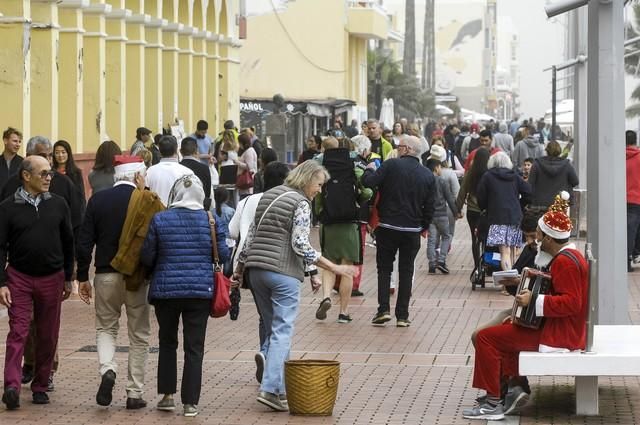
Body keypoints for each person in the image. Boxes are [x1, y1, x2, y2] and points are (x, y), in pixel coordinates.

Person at [233, 160, 357, 412]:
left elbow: (250, 237)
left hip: (257, 271)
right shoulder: (300, 203)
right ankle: (269, 389)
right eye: (318, 185)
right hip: (282, 273)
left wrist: (239, 269)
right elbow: (300, 243)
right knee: (282, 331)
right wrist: (334, 267)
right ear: (307, 179)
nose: (319, 190)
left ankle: (278, 388)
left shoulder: (270, 195)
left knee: (272, 330)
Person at [463, 193, 588, 420]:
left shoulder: (564, 262)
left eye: (539, 236)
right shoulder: (566, 257)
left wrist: (534, 301)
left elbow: (572, 302)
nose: (536, 241)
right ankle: (510, 388)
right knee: (502, 329)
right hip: (558, 329)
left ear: (550, 238)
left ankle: (493, 403)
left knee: (486, 338)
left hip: (558, 335)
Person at [141, 175, 230, 417]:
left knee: (167, 341)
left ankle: (167, 396)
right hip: (200, 292)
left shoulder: (160, 219)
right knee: (195, 347)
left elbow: (147, 256)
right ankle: (190, 402)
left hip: (166, 291)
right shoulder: (212, 220)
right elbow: (223, 255)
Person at [76, 155, 151, 409]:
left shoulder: (98, 199)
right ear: (138, 176)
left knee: (106, 328)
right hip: (136, 277)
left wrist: (82, 276)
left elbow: (85, 242)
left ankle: (108, 369)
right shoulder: (144, 200)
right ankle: (134, 392)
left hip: (105, 274)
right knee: (138, 335)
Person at [0, 155, 74, 410]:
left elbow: (68, 242)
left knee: (47, 334)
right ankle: (11, 385)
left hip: (51, 278)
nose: (48, 178)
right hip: (18, 277)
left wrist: (68, 276)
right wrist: (2, 282)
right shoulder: (8, 207)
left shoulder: (59, 204)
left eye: (49, 173)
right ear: (26, 176)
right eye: (43, 173)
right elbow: (0, 247)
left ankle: (41, 384)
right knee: (18, 330)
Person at [362, 136, 435, 327]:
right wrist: (423, 226)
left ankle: (383, 309)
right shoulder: (427, 174)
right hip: (412, 229)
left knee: (384, 268)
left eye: (399, 146)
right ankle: (402, 315)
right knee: (406, 270)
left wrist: (369, 169)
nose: (397, 148)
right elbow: (430, 206)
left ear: (407, 149)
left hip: (388, 226)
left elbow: (369, 182)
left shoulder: (391, 165)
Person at [228, 161, 290, 383]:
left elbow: (232, 231)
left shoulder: (247, 201)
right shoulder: (287, 200)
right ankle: (269, 358)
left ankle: (266, 355)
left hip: (248, 265)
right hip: (279, 264)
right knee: (279, 316)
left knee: (265, 315)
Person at [314, 138, 373, 323]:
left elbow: (317, 199)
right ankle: (344, 312)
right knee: (347, 267)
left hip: (329, 223)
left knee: (329, 264)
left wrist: (320, 212)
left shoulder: (321, 167)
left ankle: (326, 297)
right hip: (350, 224)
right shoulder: (353, 167)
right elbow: (368, 192)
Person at [476, 152, 531, 272]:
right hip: (515, 217)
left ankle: (508, 283)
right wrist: (520, 205)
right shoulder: (515, 176)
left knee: (504, 252)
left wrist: (486, 207)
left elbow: (480, 197)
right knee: (513, 251)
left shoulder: (488, 176)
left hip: (497, 217)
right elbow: (528, 192)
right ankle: (513, 282)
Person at [425, 158, 461, 274]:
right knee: (446, 236)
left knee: (431, 239)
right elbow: (450, 199)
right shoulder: (442, 181)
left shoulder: (425, 181)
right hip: (442, 215)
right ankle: (441, 260)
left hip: (430, 216)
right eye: (440, 167)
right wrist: (456, 212)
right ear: (436, 168)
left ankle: (431, 263)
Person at [528, 140, 579, 210]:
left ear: (546, 151)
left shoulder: (537, 164)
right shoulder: (567, 165)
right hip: (560, 204)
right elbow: (575, 182)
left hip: (539, 204)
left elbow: (530, 183)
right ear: (559, 151)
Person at [145, 135, 195, 206]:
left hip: (155, 213)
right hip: (178, 213)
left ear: (159, 150)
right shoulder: (187, 173)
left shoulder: (149, 171)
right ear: (176, 149)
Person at [180, 137, 212, 210]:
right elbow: (208, 193)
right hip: (199, 208)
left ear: (180, 151)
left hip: (180, 208)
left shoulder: (177, 167)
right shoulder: (204, 168)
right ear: (196, 151)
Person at [627, 130, 640, 272]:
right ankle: (631, 257)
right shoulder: (639, 157)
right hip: (636, 200)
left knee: (625, 231)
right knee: (632, 231)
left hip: (619, 199)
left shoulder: (618, 157)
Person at [235, 133, 258, 199]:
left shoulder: (249, 151)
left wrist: (237, 162)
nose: (239, 145)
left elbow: (249, 167)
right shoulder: (249, 151)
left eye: (239, 143)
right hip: (247, 183)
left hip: (247, 182)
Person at [0, 127, 23, 192]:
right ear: (5, 141)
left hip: (16, 200)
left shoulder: (23, 163)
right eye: (15, 141)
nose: (18, 144)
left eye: (19, 142)